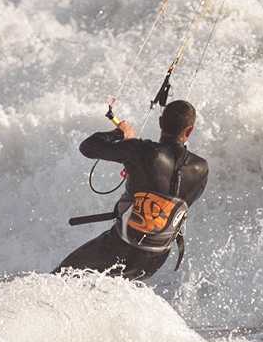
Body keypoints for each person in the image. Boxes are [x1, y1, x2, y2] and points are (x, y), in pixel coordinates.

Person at [54, 100, 208, 280]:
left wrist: (119, 133)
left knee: (59, 277)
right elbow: (170, 199)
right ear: (189, 131)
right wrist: (136, 168)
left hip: (119, 247)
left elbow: (88, 147)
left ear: (160, 122)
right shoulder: (201, 168)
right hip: (153, 261)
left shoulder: (142, 151)